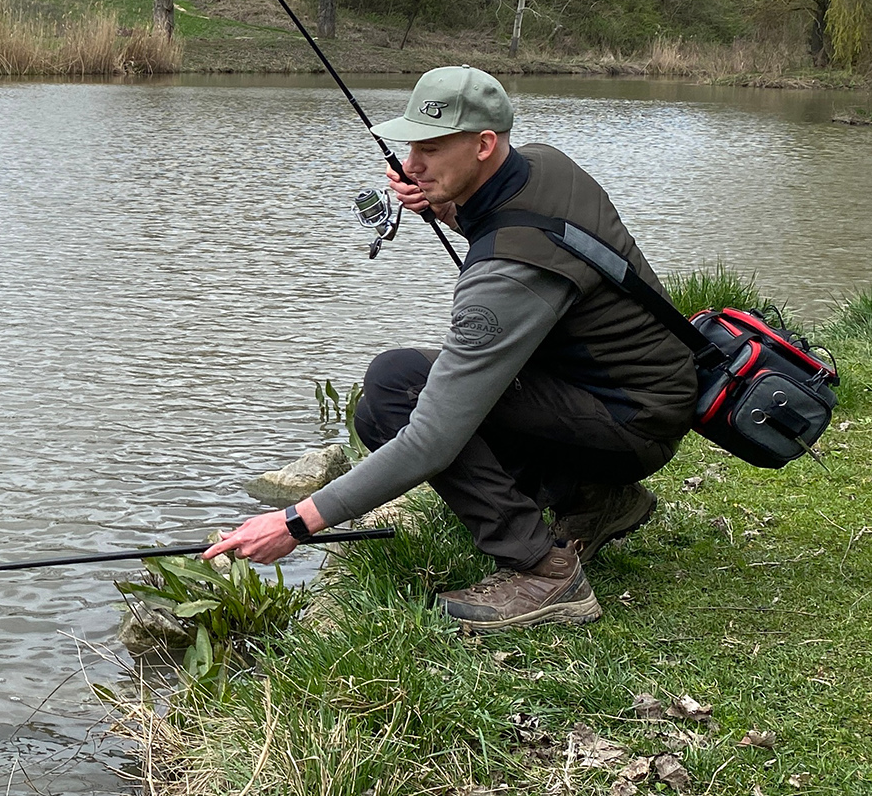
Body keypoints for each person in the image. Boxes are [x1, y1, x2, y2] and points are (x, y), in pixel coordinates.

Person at [206, 66, 697, 632]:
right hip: (644, 391)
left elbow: (431, 439)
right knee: (387, 392)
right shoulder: (544, 163)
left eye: (431, 150)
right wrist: (447, 204)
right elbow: (521, 225)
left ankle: (544, 573)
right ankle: (593, 497)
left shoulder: (506, 278)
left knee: (396, 394)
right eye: (411, 146)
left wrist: (296, 521)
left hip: (631, 422)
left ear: (484, 144)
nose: (411, 164)